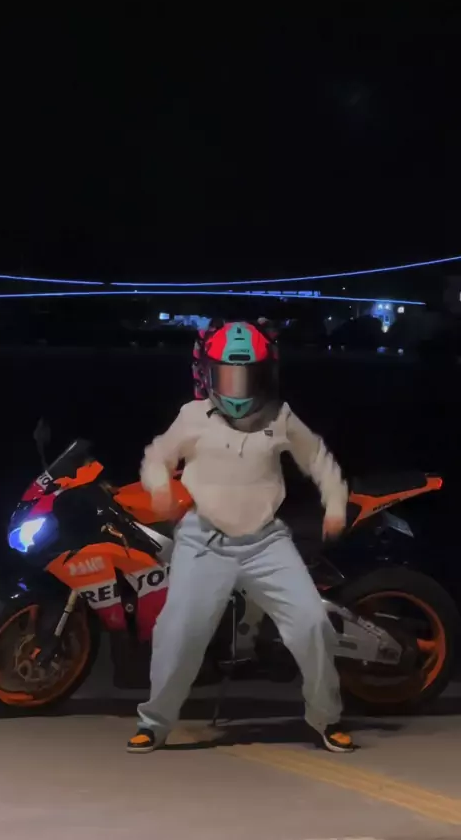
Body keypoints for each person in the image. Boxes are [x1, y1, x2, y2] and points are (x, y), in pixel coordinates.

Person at [128, 319, 354, 754]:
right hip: (203, 541)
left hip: (266, 542)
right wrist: (158, 486)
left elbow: (319, 460)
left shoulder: (280, 416)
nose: (237, 386)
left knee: (312, 624)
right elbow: (157, 457)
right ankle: (154, 722)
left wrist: (336, 505)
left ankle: (326, 717)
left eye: (247, 375)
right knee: (177, 631)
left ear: (265, 375)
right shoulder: (193, 416)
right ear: (208, 374)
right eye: (228, 376)